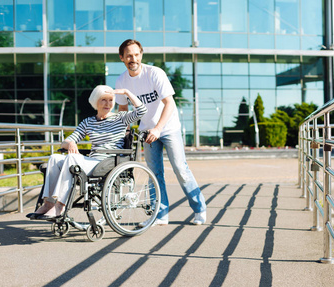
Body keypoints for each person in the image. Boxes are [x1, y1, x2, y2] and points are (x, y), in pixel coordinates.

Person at [115, 39, 207, 226]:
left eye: (136, 54)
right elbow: (123, 110)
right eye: (129, 56)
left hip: (168, 128)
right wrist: (122, 133)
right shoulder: (121, 80)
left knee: (180, 169)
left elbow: (169, 103)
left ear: (141, 55)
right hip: (147, 131)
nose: (133, 58)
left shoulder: (155, 73)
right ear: (122, 58)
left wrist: (158, 128)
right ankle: (161, 215)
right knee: (154, 173)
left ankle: (200, 209)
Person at [26, 85, 147, 220]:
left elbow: (142, 110)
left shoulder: (121, 118)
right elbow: (65, 143)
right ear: (96, 101)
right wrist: (71, 143)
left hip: (109, 162)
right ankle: (48, 203)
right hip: (92, 161)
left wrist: (126, 92)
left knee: (71, 158)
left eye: (111, 100)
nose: (108, 104)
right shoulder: (88, 122)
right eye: (103, 100)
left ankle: (60, 205)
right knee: (54, 158)